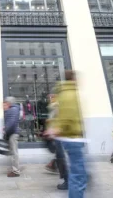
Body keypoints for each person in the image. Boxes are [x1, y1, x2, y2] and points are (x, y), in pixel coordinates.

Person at [45, 70, 88, 198]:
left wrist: (54, 128)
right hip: (73, 137)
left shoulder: (64, 94)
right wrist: (56, 129)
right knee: (78, 175)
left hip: (70, 137)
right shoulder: (69, 94)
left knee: (77, 172)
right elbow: (66, 116)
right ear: (73, 79)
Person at [45, 94, 68, 190]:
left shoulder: (56, 107)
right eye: (49, 98)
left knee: (61, 157)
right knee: (60, 156)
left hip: (58, 135)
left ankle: (67, 180)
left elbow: (59, 121)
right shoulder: (53, 107)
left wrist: (53, 130)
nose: (50, 99)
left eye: (52, 97)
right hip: (57, 134)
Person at [3, 96, 20, 177]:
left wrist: (6, 130)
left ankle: (16, 171)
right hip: (12, 133)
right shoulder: (12, 109)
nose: (4, 105)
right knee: (12, 151)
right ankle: (14, 168)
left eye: (5, 103)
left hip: (13, 133)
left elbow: (11, 123)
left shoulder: (12, 110)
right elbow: (10, 122)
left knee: (14, 152)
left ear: (9, 103)